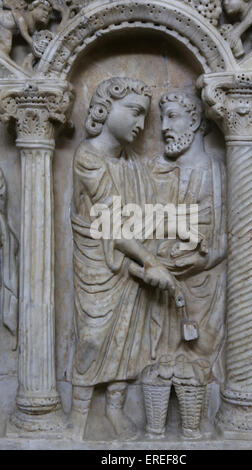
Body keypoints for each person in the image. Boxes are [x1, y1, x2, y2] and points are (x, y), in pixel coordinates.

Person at [70, 77, 175, 440]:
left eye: (145, 116)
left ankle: (114, 410)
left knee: (127, 339)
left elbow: (145, 214)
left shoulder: (131, 163)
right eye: (134, 112)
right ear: (105, 108)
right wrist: (149, 261)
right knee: (94, 337)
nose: (141, 124)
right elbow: (111, 221)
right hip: (98, 265)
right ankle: (78, 419)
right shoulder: (88, 156)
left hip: (129, 266)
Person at [141, 90, 226, 439]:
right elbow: (137, 228)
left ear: (194, 120)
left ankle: (194, 428)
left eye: (172, 117)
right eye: (163, 118)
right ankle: (156, 431)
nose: (163, 128)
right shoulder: (155, 171)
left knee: (197, 364)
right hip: (160, 285)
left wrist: (205, 258)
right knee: (159, 365)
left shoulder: (217, 171)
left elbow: (234, 236)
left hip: (205, 286)